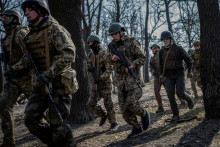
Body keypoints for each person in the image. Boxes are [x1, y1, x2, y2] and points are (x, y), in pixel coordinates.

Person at [21, 0, 78, 146]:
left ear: (40, 10)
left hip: (59, 83)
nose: (26, 13)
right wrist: (14, 68)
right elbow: (29, 59)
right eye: (25, 10)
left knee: (58, 127)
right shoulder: (29, 36)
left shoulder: (55, 29)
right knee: (31, 120)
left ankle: (63, 139)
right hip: (41, 84)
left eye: (29, 9)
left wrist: (48, 74)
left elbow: (68, 54)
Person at [107, 22, 150, 138]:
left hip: (133, 80)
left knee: (131, 104)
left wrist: (132, 65)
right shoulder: (111, 46)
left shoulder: (132, 41)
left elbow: (142, 58)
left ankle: (144, 114)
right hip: (121, 82)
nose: (114, 36)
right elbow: (107, 60)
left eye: (115, 34)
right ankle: (136, 128)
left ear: (122, 32)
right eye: (112, 35)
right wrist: (112, 59)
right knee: (124, 111)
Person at [0, 9, 31, 147]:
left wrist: (14, 68)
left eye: (6, 17)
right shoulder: (6, 37)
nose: (3, 19)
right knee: (4, 105)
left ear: (14, 18)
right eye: (2, 17)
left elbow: (30, 56)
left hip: (28, 78)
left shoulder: (21, 33)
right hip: (13, 80)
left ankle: (58, 135)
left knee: (41, 109)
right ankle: (8, 142)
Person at [159, 31, 194, 122]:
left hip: (179, 73)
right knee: (170, 95)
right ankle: (175, 115)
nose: (165, 40)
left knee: (180, 93)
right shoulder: (161, 51)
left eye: (167, 39)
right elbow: (161, 64)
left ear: (170, 39)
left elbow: (188, 60)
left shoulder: (178, 48)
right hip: (168, 75)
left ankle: (189, 99)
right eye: (164, 39)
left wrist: (189, 71)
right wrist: (161, 75)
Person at [86, 35, 119, 131]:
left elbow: (109, 69)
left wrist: (101, 78)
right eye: (89, 43)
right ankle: (103, 115)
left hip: (105, 83)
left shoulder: (104, 53)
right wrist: (89, 68)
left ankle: (114, 123)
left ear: (96, 42)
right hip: (95, 84)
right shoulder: (90, 55)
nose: (90, 45)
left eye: (91, 42)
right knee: (91, 103)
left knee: (108, 104)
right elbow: (88, 65)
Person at [149, 44, 164, 113]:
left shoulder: (163, 54)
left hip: (165, 76)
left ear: (158, 48)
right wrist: (153, 71)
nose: (152, 50)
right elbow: (150, 68)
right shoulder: (152, 58)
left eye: (153, 48)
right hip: (157, 77)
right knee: (156, 91)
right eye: (152, 49)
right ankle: (160, 107)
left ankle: (182, 102)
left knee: (170, 90)